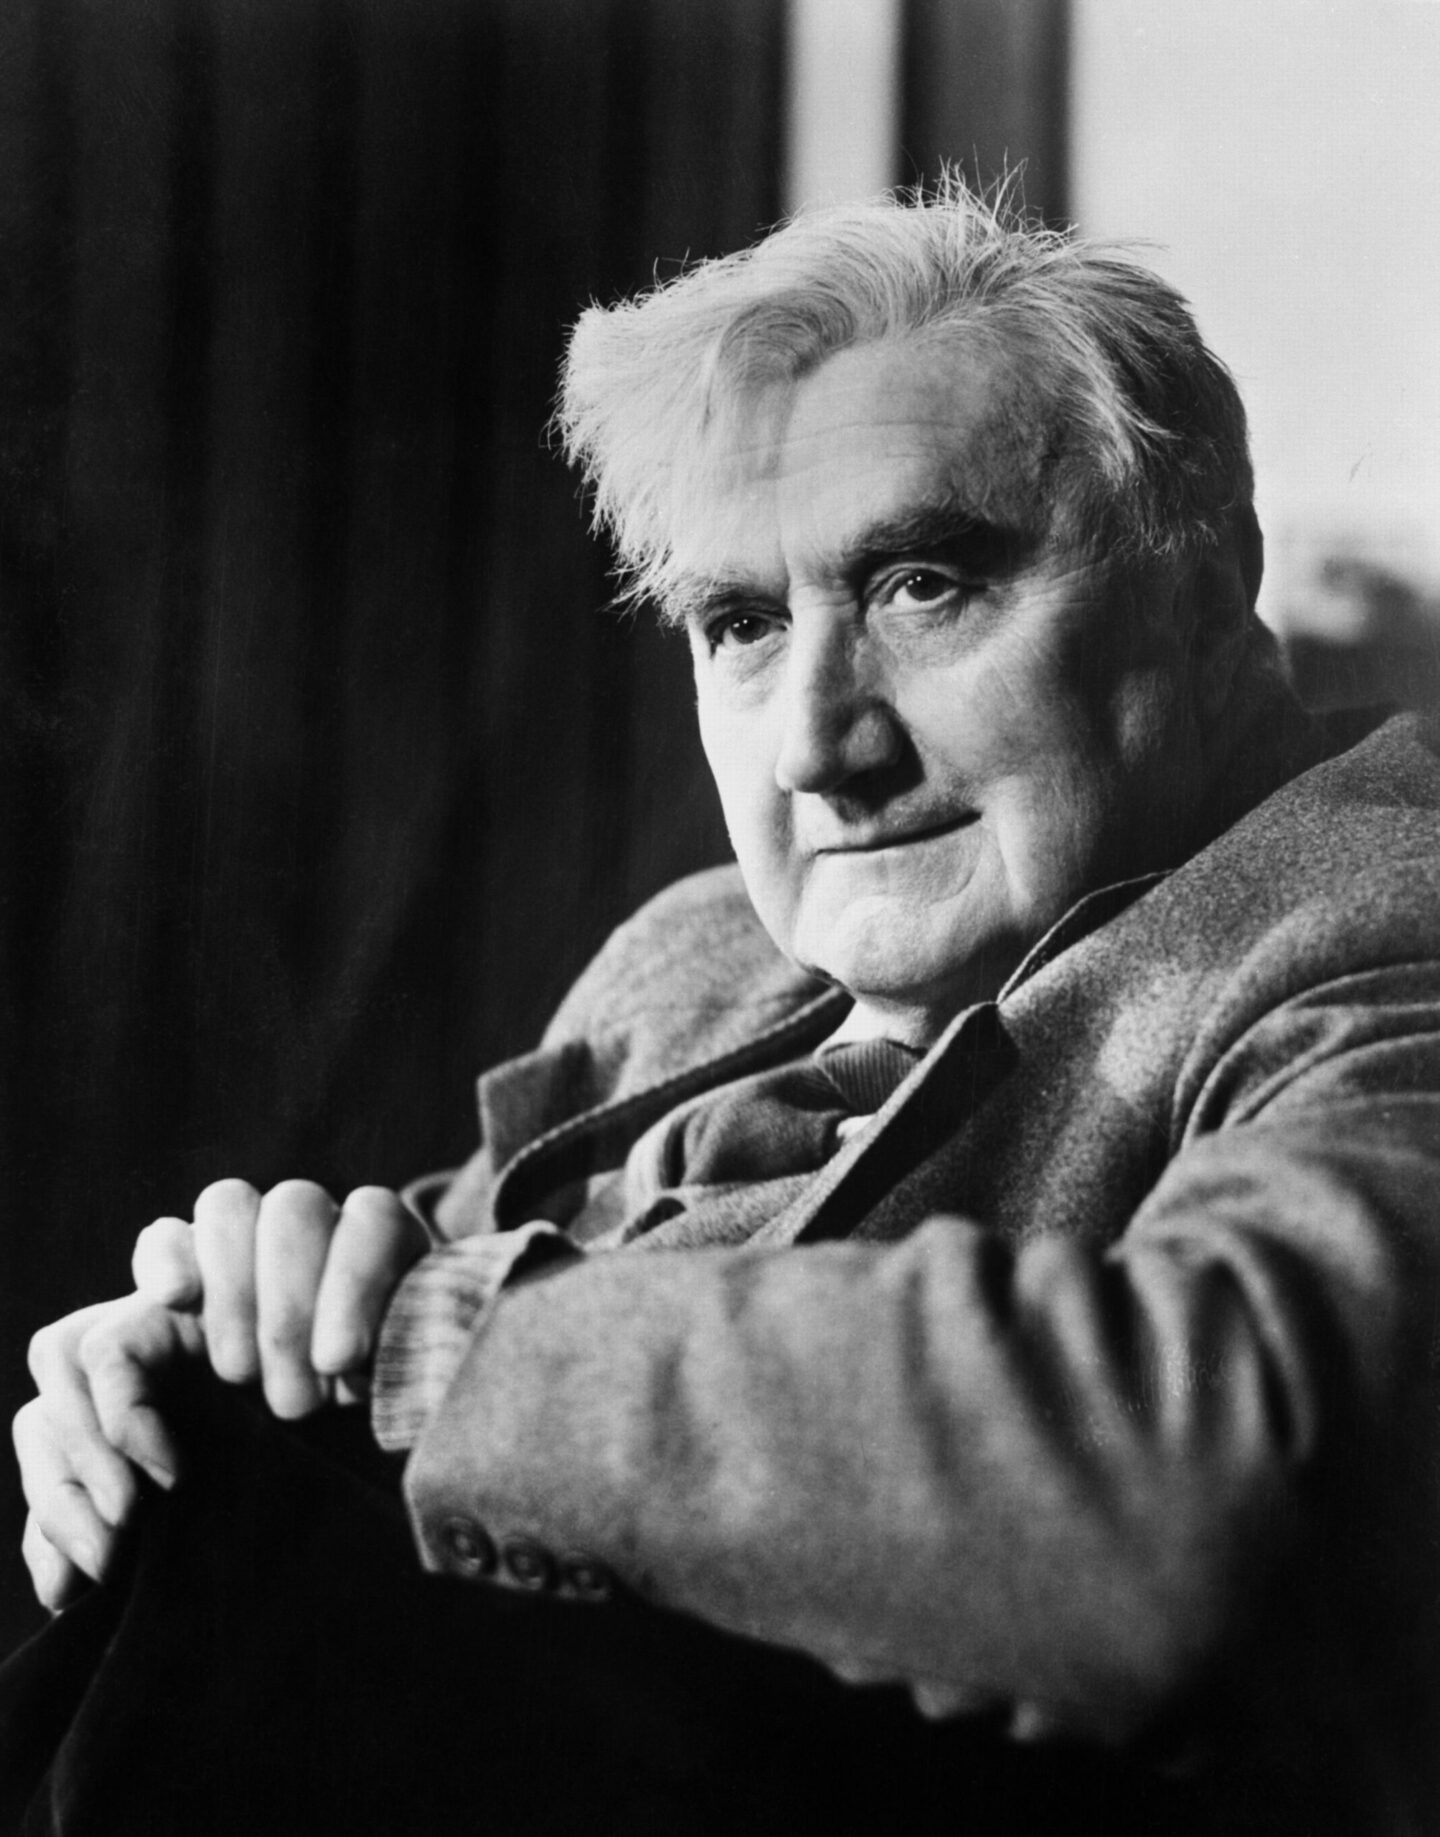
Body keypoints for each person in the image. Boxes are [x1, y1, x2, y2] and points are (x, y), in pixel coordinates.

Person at [8, 179, 1440, 1835]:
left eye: (921, 584)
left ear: (1203, 587)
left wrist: (453, 1346)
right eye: (743, 624)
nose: (819, 744)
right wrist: (211, 1339)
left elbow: (1226, 1496)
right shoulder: (692, 959)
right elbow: (409, 1301)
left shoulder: (1376, 913)